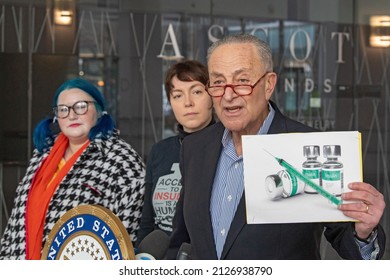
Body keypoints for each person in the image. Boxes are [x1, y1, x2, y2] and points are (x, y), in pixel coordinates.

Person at [167, 34, 386, 260]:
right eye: (219, 83)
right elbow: (182, 240)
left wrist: (363, 233)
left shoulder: (308, 147)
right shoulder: (194, 147)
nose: (228, 95)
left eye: (242, 81)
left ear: (269, 84)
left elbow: (345, 240)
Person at [0, 78, 145, 260]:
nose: (71, 115)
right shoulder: (42, 155)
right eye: (63, 109)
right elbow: (15, 226)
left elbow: (128, 234)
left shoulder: (122, 159)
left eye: (81, 106)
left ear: (100, 112)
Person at [136, 60, 215, 245]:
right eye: (178, 95)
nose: (188, 103)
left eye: (197, 92)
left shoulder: (227, 149)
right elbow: (147, 221)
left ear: (212, 96)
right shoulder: (159, 151)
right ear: (170, 102)